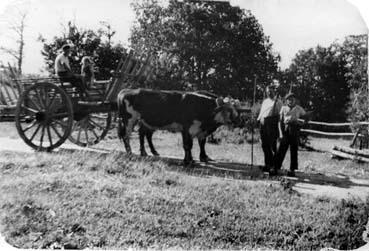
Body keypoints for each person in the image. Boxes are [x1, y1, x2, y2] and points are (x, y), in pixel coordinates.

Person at [273, 92, 308, 177]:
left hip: (294, 130)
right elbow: (279, 121)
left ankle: (292, 170)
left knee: (294, 150)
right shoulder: (283, 108)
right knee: (281, 149)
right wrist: (280, 133)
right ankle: (275, 168)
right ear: (286, 100)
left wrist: (302, 123)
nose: (290, 101)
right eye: (289, 99)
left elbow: (306, 118)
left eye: (292, 99)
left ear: (295, 100)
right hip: (285, 130)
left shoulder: (299, 109)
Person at [257, 85, 282, 172]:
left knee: (272, 146)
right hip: (263, 123)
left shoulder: (278, 102)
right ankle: (267, 164)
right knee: (264, 145)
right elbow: (261, 113)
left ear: (274, 92)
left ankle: (273, 166)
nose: (269, 93)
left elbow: (280, 115)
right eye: (268, 91)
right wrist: (258, 120)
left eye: (271, 91)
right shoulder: (265, 101)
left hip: (272, 124)